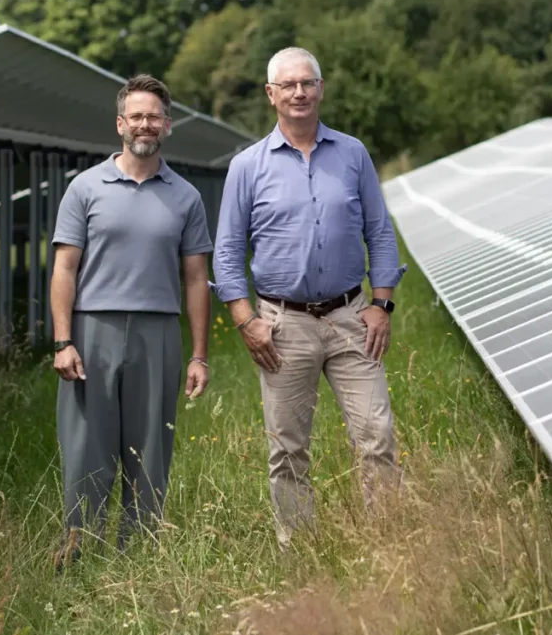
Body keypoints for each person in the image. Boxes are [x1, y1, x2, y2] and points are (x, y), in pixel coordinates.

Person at [210, 46, 407, 546]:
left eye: (308, 83)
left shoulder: (352, 154)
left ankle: (389, 544)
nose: (299, 92)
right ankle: (300, 553)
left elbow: (380, 233)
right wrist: (244, 319)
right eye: (289, 85)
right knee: (288, 449)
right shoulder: (247, 167)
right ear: (271, 94)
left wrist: (381, 305)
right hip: (282, 325)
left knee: (377, 437)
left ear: (322, 89)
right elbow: (228, 249)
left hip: (350, 318)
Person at [49, 74, 213, 564]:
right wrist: (62, 341)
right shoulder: (85, 188)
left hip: (157, 332)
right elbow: (64, 267)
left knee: (150, 448)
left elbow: (195, 279)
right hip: (91, 329)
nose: (146, 123)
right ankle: (81, 547)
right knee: (86, 447)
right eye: (136, 115)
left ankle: (138, 554)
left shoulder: (185, 197)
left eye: (155, 116)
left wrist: (200, 354)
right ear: (121, 123)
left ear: (168, 125)